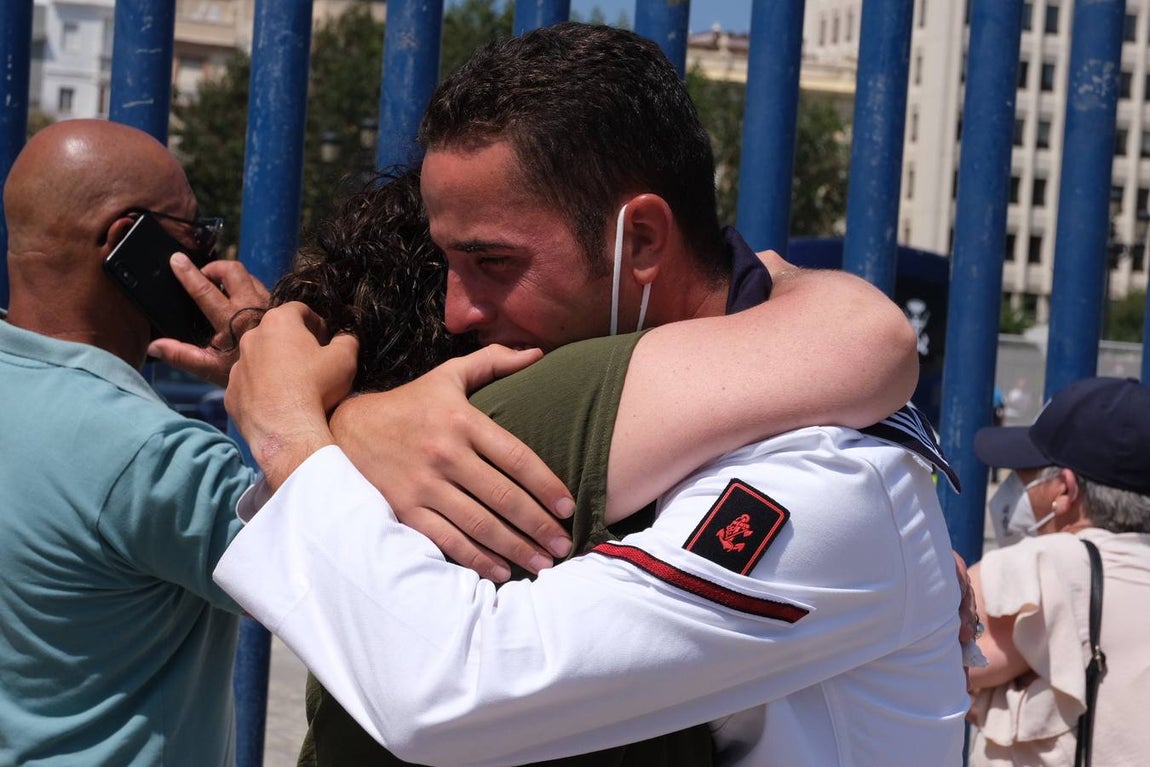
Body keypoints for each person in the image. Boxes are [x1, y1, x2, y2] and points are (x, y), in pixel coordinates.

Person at [215, 23, 967, 767]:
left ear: (638, 240)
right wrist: (355, 424)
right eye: (449, 260)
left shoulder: (827, 480)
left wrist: (294, 434)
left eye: (491, 260)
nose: (456, 311)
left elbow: (456, 691)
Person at [0, 119, 269, 764]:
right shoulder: (157, 457)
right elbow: (353, 557)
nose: (209, 256)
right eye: (193, 234)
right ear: (128, 243)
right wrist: (277, 360)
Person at [967, 377, 1150, 766]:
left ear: (1065, 490)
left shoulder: (1040, 565)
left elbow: (928, 662)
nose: (1014, 489)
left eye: (1026, 474)